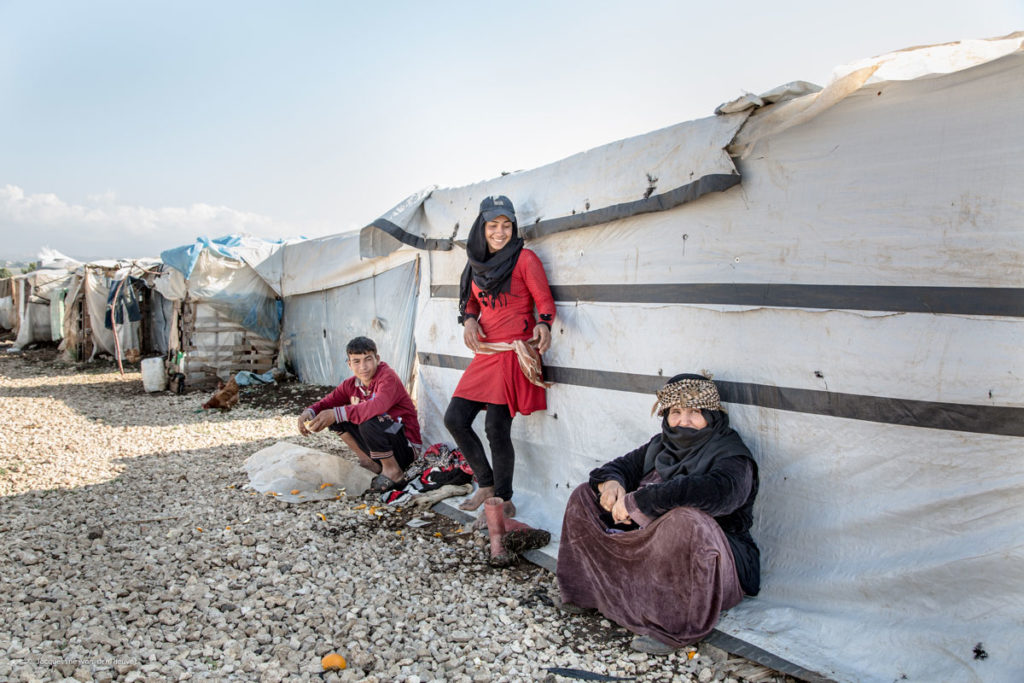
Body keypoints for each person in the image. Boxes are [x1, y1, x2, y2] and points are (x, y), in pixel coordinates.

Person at [556, 374, 760, 655]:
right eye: (676, 412)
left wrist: (644, 500)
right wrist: (612, 484)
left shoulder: (731, 455)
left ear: (712, 416)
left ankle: (673, 627)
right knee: (583, 495)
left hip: (716, 563)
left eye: (694, 413)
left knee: (685, 521)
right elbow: (618, 467)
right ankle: (585, 593)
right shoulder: (660, 445)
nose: (683, 421)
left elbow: (721, 494)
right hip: (648, 546)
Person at [443, 195, 556, 514]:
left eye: (506, 225)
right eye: (493, 225)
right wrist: (468, 320)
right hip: (488, 352)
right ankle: (486, 484)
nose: (500, 231)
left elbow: (544, 303)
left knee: (495, 427)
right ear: (482, 227)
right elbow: (470, 302)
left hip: (514, 352)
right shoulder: (475, 262)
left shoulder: (525, 259)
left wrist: (545, 326)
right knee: (455, 418)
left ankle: (503, 500)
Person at [298, 336, 422, 492]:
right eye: (356, 361)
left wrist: (337, 413)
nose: (363, 367)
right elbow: (328, 402)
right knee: (335, 417)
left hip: (405, 446)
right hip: (384, 443)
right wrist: (308, 412)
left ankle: (393, 471)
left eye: (368, 359)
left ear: (377, 359)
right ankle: (369, 462)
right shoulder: (351, 384)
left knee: (365, 417)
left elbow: (377, 405)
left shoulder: (388, 377)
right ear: (349, 364)